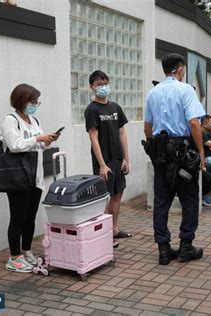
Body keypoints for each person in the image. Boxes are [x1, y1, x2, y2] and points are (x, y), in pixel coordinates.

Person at [144, 53, 206, 265]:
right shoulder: (186, 89)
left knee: (161, 202)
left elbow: (147, 127)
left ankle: (163, 249)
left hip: (161, 153)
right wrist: (201, 152)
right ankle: (185, 247)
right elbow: (195, 124)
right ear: (180, 69)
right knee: (189, 201)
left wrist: (156, 150)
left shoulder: (153, 92)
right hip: (184, 153)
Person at [1, 84, 60, 272]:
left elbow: (38, 146)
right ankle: (14, 257)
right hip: (18, 178)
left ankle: (26, 251)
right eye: (32, 101)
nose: (34, 105)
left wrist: (47, 141)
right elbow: (15, 145)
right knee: (17, 218)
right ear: (21, 101)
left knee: (30, 217)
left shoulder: (34, 120)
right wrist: (38, 139)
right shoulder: (10, 120)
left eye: (36, 102)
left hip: (35, 177)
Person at [85, 70, 131, 249]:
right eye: (99, 84)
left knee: (118, 194)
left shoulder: (115, 107)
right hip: (104, 163)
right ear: (92, 87)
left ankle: (113, 229)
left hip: (118, 160)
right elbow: (93, 138)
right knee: (104, 198)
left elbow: (121, 132)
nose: (103, 87)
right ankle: (102, 235)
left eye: (105, 83)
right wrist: (102, 165)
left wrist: (126, 158)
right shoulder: (92, 110)